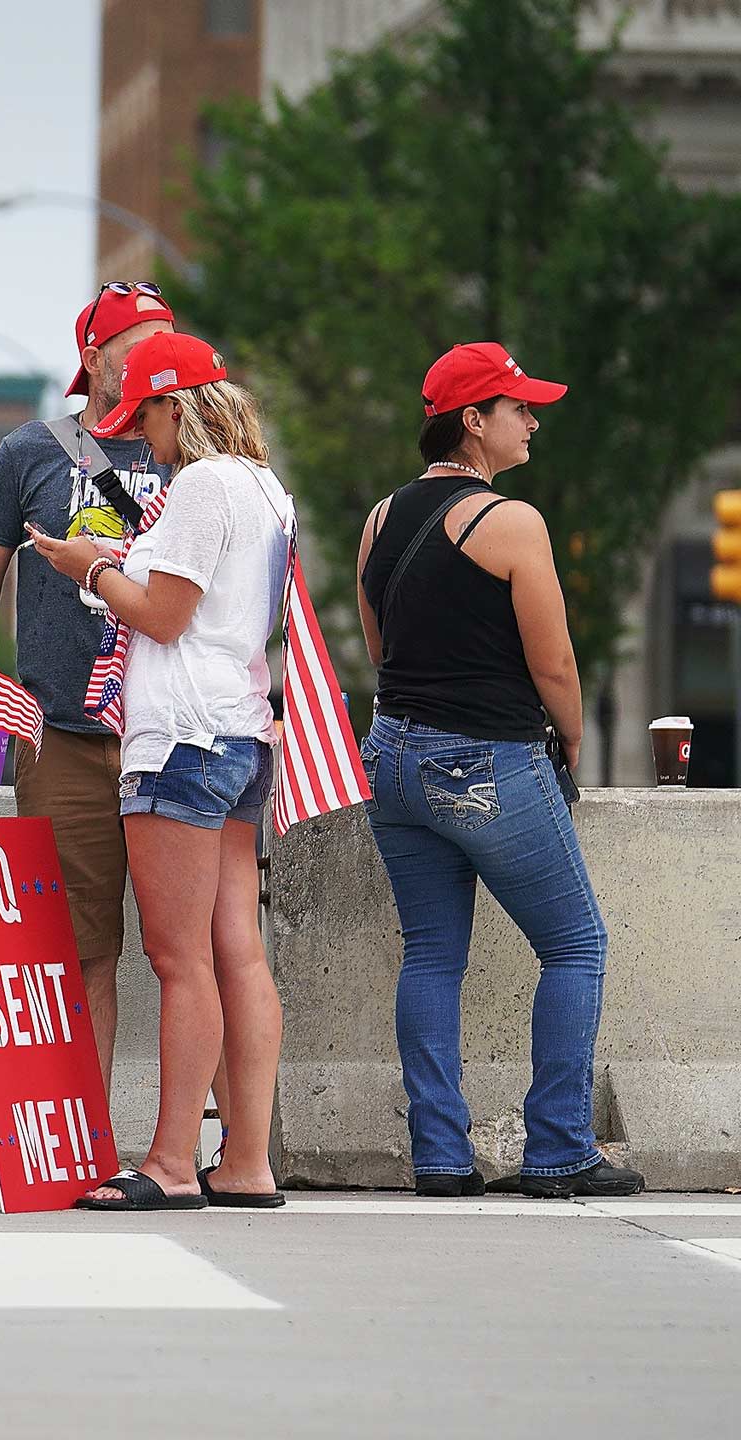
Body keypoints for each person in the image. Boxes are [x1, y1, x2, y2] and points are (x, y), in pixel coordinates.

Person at [353, 343, 641, 1199]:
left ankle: (440, 1155)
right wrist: (575, 739)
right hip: (486, 762)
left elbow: (379, 648)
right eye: (519, 407)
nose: (534, 420)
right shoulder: (510, 522)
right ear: (472, 421)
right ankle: (557, 1147)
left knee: (433, 954)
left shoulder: (380, 518)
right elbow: (552, 661)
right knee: (576, 944)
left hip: (395, 757)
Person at [29, 333, 291, 1211]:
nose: (140, 437)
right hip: (242, 729)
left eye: (143, 415)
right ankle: (246, 1162)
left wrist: (91, 567)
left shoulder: (203, 486)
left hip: (179, 736)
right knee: (236, 954)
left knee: (179, 962)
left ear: (175, 406)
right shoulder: (265, 487)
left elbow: (166, 615)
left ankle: (173, 1164)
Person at [0, 283, 178, 1100]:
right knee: (82, 950)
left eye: (167, 342)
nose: (157, 360)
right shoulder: (31, 453)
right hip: (67, 736)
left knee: (197, 953)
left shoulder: (199, 449)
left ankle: (198, 1152)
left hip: (175, 736)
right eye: (139, 344)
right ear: (95, 358)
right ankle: (84, 1137)